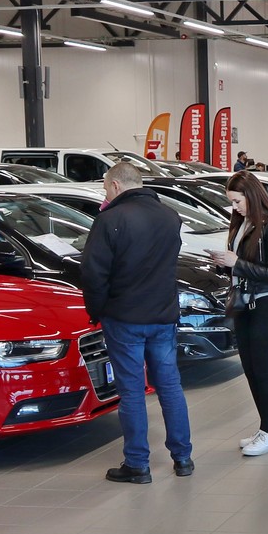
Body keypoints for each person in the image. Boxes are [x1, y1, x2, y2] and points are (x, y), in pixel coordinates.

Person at [79, 163, 193, 483]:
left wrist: (97, 310)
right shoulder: (170, 216)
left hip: (124, 318)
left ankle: (137, 464)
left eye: (105, 187)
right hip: (163, 316)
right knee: (170, 387)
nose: (105, 193)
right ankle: (183, 458)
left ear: (116, 185)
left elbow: (93, 272)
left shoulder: (110, 219)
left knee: (131, 391)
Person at [209, 171, 268, 456]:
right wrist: (223, 264)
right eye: (232, 202)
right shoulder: (241, 224)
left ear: (252, 196)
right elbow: (240, 265)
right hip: (243, 304)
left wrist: (237, 263)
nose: (235, 207)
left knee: (263, 370)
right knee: (250, 369)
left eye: (237, 201)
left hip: (266, 305)